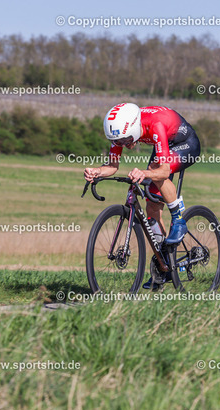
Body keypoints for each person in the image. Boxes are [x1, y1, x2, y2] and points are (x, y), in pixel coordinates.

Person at [84, 103, 201, 288]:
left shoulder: (155, 125)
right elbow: (112, 166)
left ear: (134, 128)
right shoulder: (121, 132)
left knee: (155, 171)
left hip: (184, 144)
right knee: (152, 206)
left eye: (126, 140)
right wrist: (97, 171)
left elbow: (163, 171)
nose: (124, 145)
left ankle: (179, 221)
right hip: (163, 143)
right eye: (119, 142)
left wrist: (145, 173)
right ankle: (164, 264)